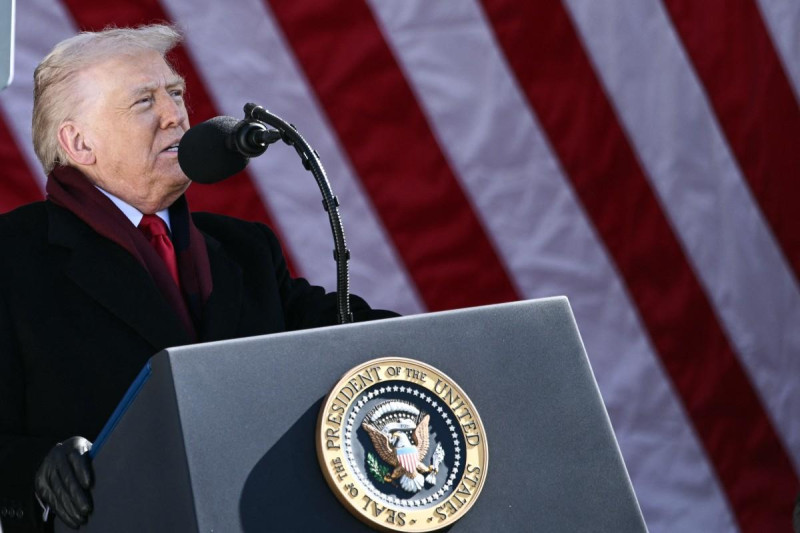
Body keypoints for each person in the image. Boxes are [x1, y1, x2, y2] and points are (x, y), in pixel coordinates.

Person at [0, 25, 395, 532]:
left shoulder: (244, 249)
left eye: (177, 93)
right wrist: (36, 470)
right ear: (79, 142)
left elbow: (348, 331)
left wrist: (451, 347)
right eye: (144, 101)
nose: (176, 115)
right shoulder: (13, 259)